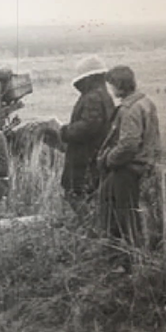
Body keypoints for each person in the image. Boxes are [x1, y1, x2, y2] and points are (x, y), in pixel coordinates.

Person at [95, 65, 162, 267]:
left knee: (124, 215)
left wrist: (108, 159)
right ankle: (142, 256)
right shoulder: (145, 102)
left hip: (129, 170)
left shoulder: (129, 109)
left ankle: (128, 259)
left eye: (111, 85)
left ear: (118, 86)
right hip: (147, 166)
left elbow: (128, 145)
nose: (110, 90)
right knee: (142, 213)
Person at [59, 55, 117, 221]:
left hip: (84, 156)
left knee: (76, 194)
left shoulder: (92, 97)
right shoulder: (103, 95)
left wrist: (64, 131)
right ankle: (93, 228)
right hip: (94, 154)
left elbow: (89, 126)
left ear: (88, 78)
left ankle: (91, 229)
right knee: (89, 195)